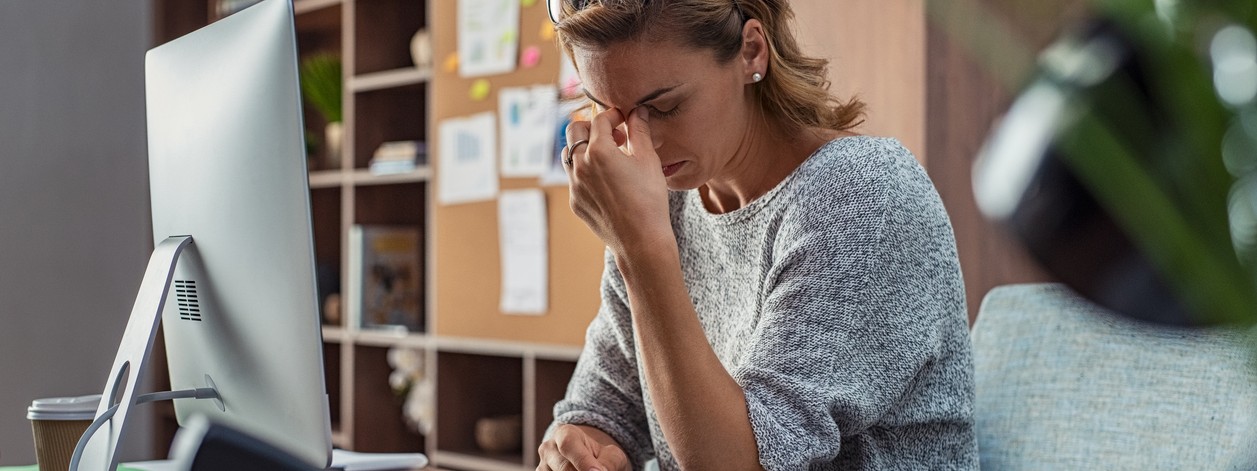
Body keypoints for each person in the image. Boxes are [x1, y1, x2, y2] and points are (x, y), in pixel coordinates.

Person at [540, 0, 977, 469]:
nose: (636, 144)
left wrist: (641, 249)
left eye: (663, 107)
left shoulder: (863, 196)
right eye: (608, 110)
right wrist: (581, 446)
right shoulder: (665, 205)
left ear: (751, 52)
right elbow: (607, 405)